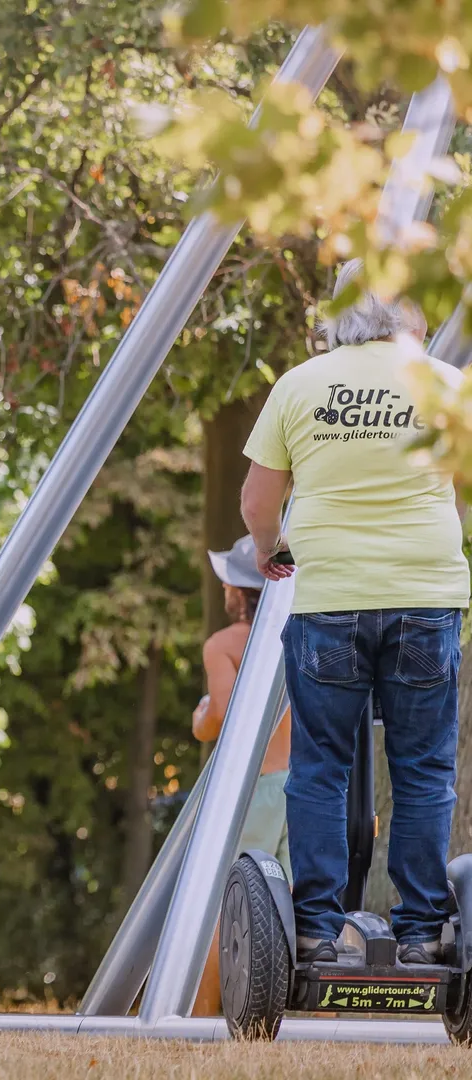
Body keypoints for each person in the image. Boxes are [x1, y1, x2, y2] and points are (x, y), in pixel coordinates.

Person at [241, 258, 468, 966]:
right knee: (424, 771)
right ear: (408, 312)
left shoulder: (300, 384)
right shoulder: (447, 385)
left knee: (321, 769)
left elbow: (257, 499)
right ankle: (424, 934)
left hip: (330, 599)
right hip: (425, 598)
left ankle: (314, 929)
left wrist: (268, 548)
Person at [192, 533, 293, 1015]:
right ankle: (315, 1022)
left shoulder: (224, 645)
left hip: (251, 790)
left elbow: (226, 717)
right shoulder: (301, 633)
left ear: (237, 591)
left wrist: (200, 718)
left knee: (223, 908)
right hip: (302, 788)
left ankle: (203, 1019)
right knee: (298, 911)